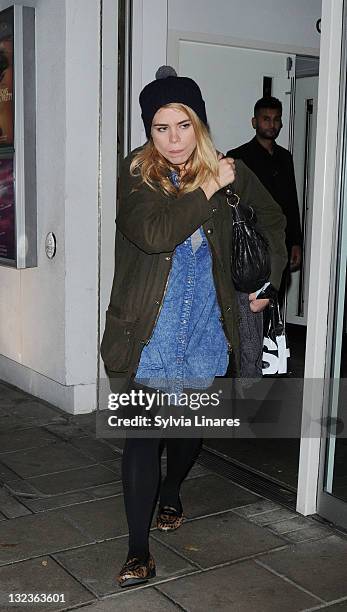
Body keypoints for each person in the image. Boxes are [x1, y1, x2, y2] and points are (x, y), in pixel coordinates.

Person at [101, 67, 287, 588]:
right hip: (147, 334)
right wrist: (207, 186)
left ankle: (173, 490)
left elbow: (272, 220)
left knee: (187, 431)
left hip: (207, 329)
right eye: (161, 128)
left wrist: (267, 281)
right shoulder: (137, 174)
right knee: (142, 440)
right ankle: (139, 549)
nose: (174, 138)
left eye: (182, 124)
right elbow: (155, 232)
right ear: (149, 132)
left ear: (198, 123)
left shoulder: (231, 170)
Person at [227, 96, 302, 277]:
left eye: (276, 119)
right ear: (254, 122)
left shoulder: (285, 157)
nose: (272, 124)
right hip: (250, 241)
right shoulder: (238, 156)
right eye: (266, 119)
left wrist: (295, 241)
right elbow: (231, 205)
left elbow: (291, 202)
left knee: (276, 292)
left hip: (280, 240)